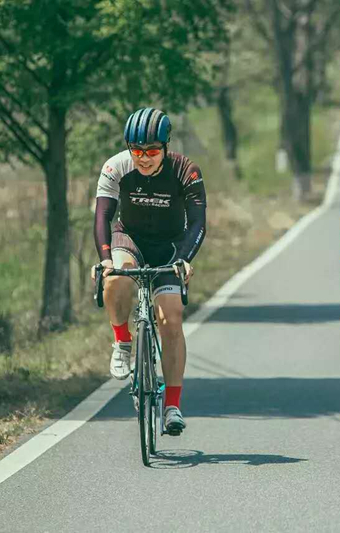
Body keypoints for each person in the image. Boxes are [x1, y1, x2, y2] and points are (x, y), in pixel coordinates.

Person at [92, 107, 206, 435]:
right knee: (116, 276)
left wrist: (184, 258)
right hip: (129, 239)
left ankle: (172, 406)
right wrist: (105, 260)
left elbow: (198, 222)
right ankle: (122, 342)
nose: (144, 158)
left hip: (170, 247)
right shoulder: (116, 166)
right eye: (137, 150)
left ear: (166, 147)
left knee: (171, 319)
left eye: (152, 151)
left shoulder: (185, 170)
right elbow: (102, 216)